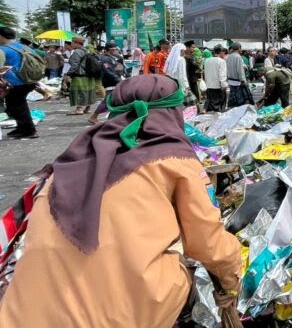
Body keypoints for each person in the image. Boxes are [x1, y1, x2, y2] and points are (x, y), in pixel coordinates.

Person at [0, 75, 241, 326]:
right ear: (174, 112)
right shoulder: (175, 160)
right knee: (182, 270)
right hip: (120, 316)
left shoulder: (71, 159)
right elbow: (208, 243)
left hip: (25, 312)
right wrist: (231, 282)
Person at [0, 27, 39, 138]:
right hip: (30, 80)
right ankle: (21, 128)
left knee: (18, 106)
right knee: (15, 106)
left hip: (15, 83)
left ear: (1, 36)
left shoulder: (2, 49)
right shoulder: (25, 47)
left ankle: (30, 131)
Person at [88, 42, 125, 124]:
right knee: (108, 101)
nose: (115, 49)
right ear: (109, 49)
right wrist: (118, 80)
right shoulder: (105, 59)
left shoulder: (113, 58)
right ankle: (93, 117)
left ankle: (116, 117)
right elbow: (108, 71)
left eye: (115, 48)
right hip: (111, 82)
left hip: (115, 81)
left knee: (116, 100)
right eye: (114, 48)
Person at [64, 36, 98, 116]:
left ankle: (79, 109)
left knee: (78, 92)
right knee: (88, 91)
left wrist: (68, 74)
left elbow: (75, 65)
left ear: (77, 43)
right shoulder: (87, 50)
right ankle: (87, 108)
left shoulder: (77, 52)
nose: (71, 44)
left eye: (72, 42)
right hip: (89, 75)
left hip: (80, 76)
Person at [164, 43, 197, 108]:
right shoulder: (181, 59)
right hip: (180, 84)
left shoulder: (170, 59)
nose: (184, 53)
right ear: (180, 51)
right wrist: (186, 86)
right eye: (183, 51)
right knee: (182, 103)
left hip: (171, 84)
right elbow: (182, 74)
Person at [225, 42, 252, 108]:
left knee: (233, 99)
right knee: (240, 100)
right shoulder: (238, 57)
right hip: (238, 81)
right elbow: (240, 70)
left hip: (230, 80)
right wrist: (242, 80)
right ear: (239, 48)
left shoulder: (228, 57)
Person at [203, 46, 228, 112]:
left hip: (209, 85)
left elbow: (205, 73)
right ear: (221, 52)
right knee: (219, 106)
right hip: (218, 87)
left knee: (210, 104)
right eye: (224, 52)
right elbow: (222, 75)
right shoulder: (222, 61)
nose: (224, 54)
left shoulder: (207, 60)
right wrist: (224, 85)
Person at [183, 41, 201, 105]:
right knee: (193, 96)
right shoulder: (186, 58)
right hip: (189, 80)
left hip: (192, 79)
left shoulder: (191, 56)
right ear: (187, 48)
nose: (194, 49)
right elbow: (196, 67)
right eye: (192, 47)